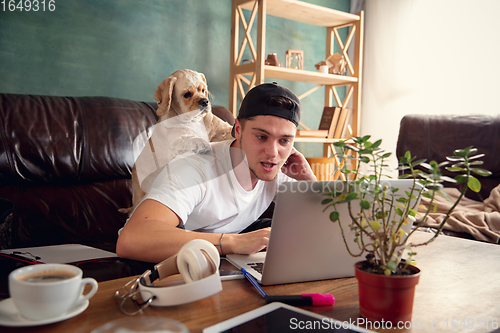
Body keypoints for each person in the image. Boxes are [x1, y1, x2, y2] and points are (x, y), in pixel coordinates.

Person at [116, 83, 316, 263]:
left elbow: (328, 223)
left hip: (224, 249)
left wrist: (309, 180)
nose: (273, 152)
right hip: (168, 256)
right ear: (238, 130)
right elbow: (131, 239)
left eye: (284, 141)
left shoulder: (276, 167)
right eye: (262, 136)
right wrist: (233, 242)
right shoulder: (195, 168)